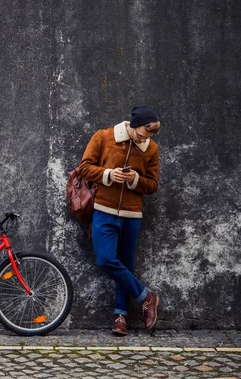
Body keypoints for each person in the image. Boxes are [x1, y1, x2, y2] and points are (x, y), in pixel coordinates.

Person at [78, 105, 161, 336]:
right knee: (106, 260)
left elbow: (153, 184)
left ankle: (120, 317)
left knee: (126, 266)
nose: (145, 138)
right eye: (142, 133)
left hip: (132, 215)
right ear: (133, 125)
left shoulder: (151, 149)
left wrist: (135, 179)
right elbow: (84, 168)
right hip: (103, 210)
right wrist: (108, 175)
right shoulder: (104, 136)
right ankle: (147, 297)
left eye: (149, 135)